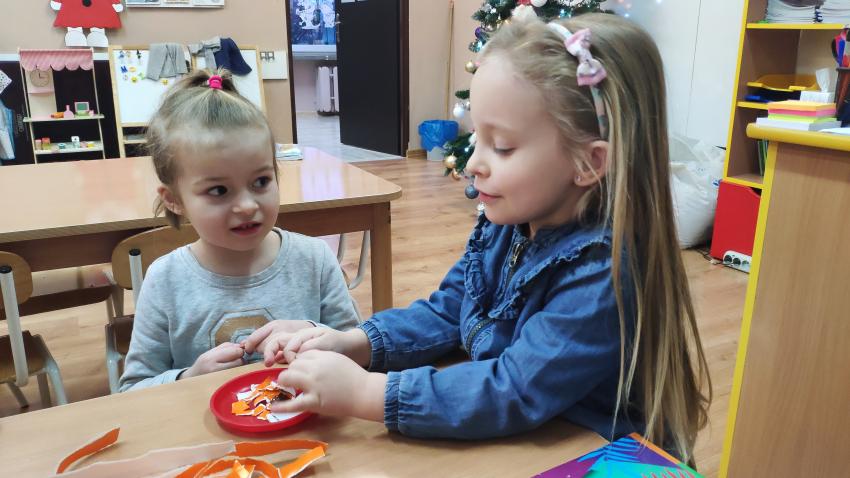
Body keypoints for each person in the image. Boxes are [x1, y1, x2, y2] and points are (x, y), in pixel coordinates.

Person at [244, 11, 711, 464]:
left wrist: (369, 392)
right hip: (531, 438)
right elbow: (449, 311)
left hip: (598, 453)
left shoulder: (603, 270)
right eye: (476, 139)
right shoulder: (508, 223)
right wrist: (355, 343)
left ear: (588, 163)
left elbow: (516, 388)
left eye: (501, 146)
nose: (472, 164)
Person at [119, 69, 359, 392]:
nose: (247, 205)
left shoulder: (315, 259)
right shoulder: (165, 281)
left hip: (309, 420)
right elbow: (133, 389)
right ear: (174, 200)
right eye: (219, 190)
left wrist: (311, 331)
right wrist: (188, 378)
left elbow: (359, 351)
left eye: (261, 181)